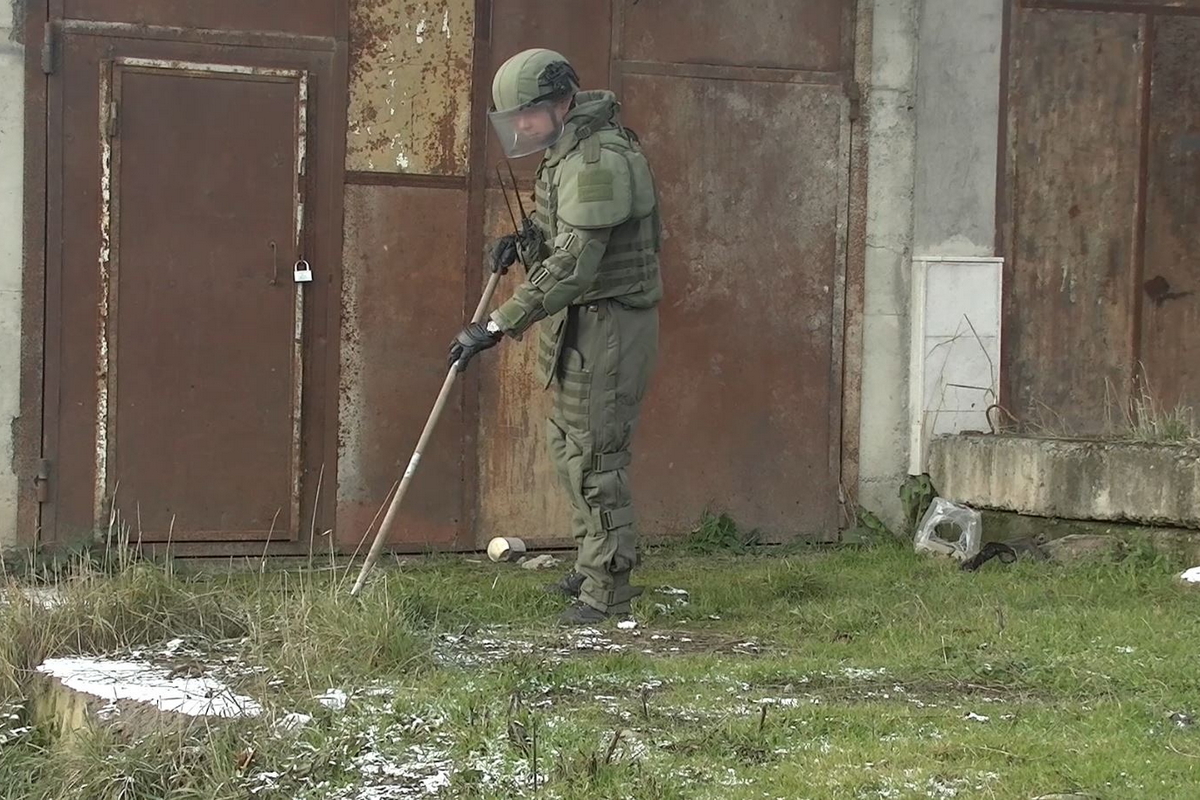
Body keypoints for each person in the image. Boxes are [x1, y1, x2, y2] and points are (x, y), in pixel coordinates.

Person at [448, 48, 663, 626]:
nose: (518, 126)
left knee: (597, 456)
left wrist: (498, 324)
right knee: (570, 447)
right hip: (578, 320)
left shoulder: (598, 159)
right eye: (512, 117)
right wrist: (521, 240)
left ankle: (608, 589)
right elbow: (556, 230)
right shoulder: (563, 151)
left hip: (610, 323)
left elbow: (576, 265)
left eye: (526, 113)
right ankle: (593, 562)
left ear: (560, 101)